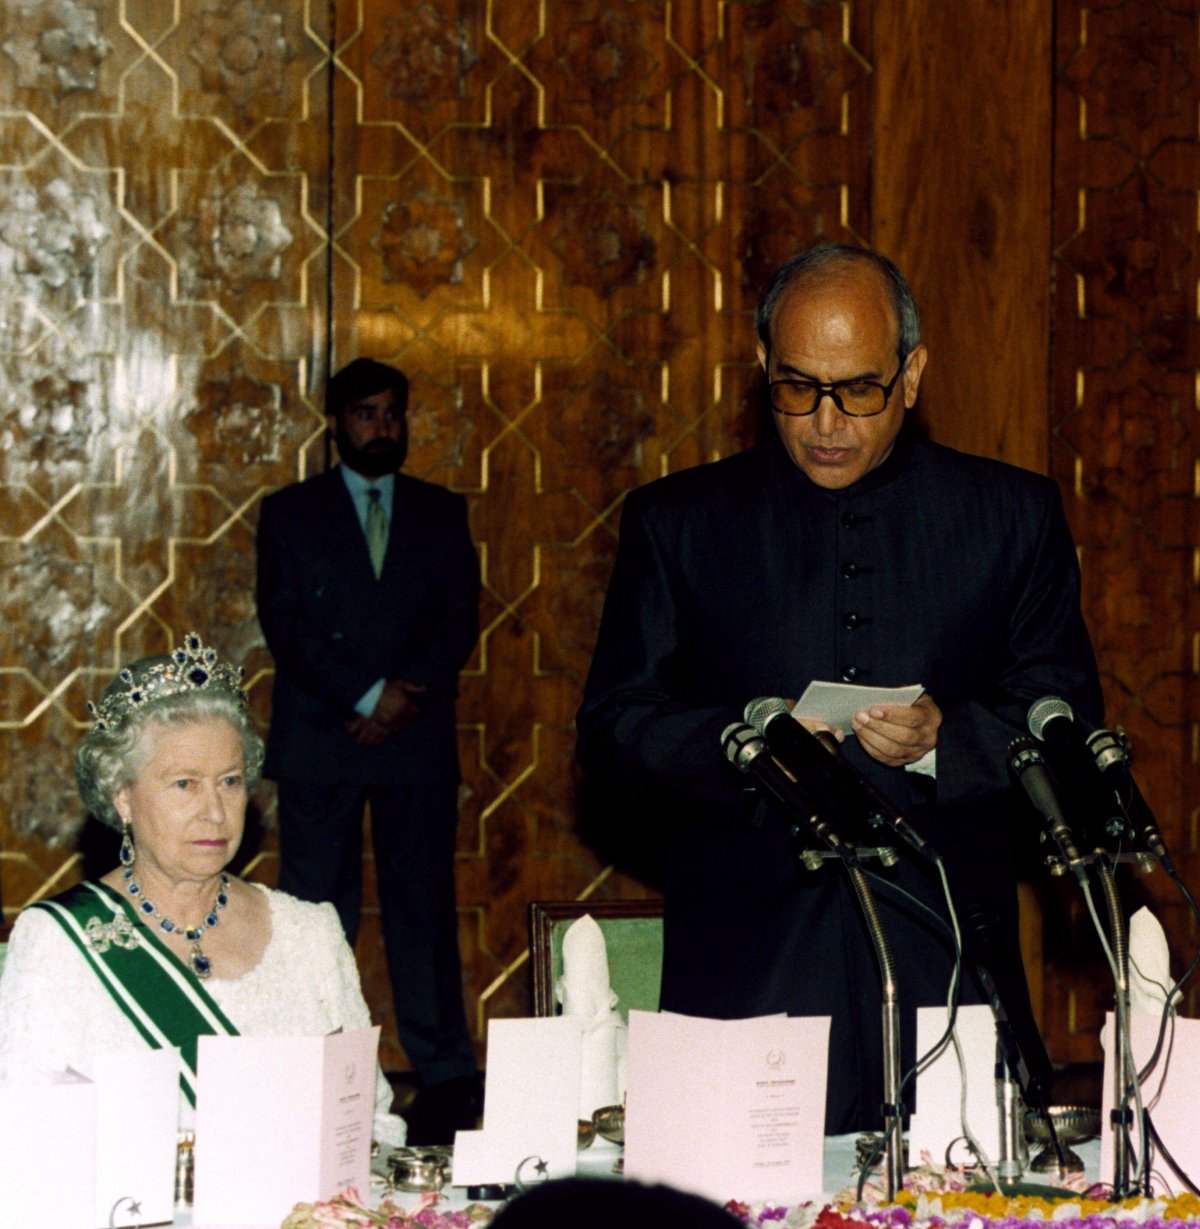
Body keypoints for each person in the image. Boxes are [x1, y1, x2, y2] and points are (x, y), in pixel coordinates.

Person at [575, 242, 1103, 1134]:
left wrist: (945, 740)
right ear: (762, 367)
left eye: (859, 389)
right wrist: (746, 747)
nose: (827, 421)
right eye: (798, 387)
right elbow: (611, 731)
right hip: (749, 963)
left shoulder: (1010, 517)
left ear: (911, 374)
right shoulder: (679, 523)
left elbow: (1068, 723)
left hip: (947, 963)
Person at [0, 633, 406, 1143]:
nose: (215, 812)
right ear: (122, 796)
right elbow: (25, 1143)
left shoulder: (310, 935)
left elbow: (371, 1126)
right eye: (185, 783)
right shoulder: (60, 943)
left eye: (230, 781)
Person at [255, 358, 480, 1142]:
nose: (382, 427)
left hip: (413, 739)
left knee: (423, 908)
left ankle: (446, 1074)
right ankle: (308, 1063)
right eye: (365, 413)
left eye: (393, 413)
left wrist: (400, 698)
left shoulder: (441, 512)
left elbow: (458, 617)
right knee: (317, 911)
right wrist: (363, 694)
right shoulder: (290, 513)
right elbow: (285, 621)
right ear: (336, 423)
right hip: (323, 736)